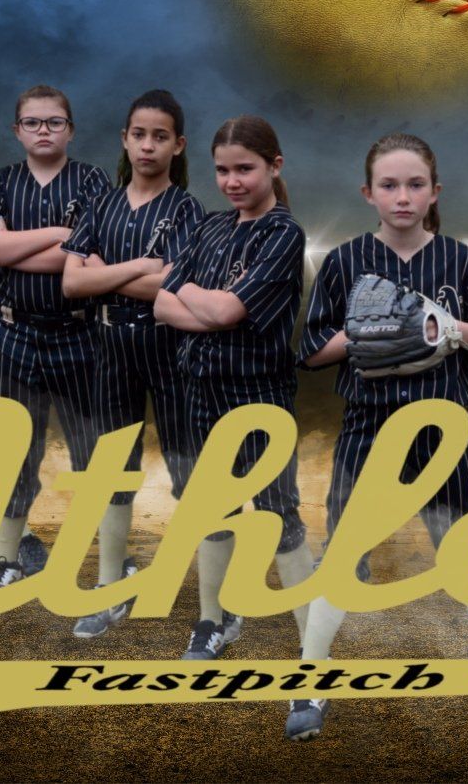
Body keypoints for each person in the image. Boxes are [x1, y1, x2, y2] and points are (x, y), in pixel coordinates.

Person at [289, 132, 468, 739]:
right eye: (388, 185)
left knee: (465, 554)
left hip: (442, 425)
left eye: (415, 184)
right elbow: (310, 350)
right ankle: (310, 684)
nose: (402, 196)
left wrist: (445, 327)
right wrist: (368, 334)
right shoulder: (344, 261)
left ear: (434, 191)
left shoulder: (462, 261)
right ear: (367, 193)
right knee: (342, 555)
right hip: (369, 424)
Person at [156, 115, 316, 660]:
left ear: (274, 166)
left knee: (278, 515)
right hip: (201, 392)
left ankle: (312, 642)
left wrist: (195, 294)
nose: (232, 181)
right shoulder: (210, 226)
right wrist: (209, 303)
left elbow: (225, 309)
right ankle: (213, 622)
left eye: (245, 169)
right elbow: (162, 302)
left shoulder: (284, 233)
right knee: (211, 511)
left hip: (258, 394)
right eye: (222, 171)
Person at [60, 89, 206, 638]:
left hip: (169, 347)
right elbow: (72, 283)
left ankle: (215, 601)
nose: (148, 145)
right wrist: (142, 267)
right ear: (125, 139)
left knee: (192, 471)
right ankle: (110, 586)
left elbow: (176, 287)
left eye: (160, 136)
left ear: (178, 145)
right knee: (112, 472)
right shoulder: (102, 203)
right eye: (139, 134)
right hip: (110, 348)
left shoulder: (186, 209)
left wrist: (106, 272)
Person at [0, 85, 111, 588]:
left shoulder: (93, 181)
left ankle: (108, 567)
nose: (43, 130)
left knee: (93, 451)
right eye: (32, 122)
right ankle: (7, 559)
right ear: (17, 130)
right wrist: (59, 235)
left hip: (79, 334)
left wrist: (12, 243)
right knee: (10, 452)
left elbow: (94, 260)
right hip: (13, 333)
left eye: (54, 122)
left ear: (71, 129)